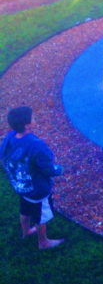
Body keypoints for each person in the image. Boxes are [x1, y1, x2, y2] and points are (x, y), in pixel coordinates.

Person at [0, 106, 64, 250]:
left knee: (25, 210)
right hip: (37, 191)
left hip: (21, 186)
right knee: (41, 217)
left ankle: (26, 231)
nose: (35, 119)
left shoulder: (10, 137)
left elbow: (3, 156)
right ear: (28, 125)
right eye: (33, 117)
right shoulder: (37, 145)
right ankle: (43, 242)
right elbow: (48, 169)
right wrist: (59, 170)